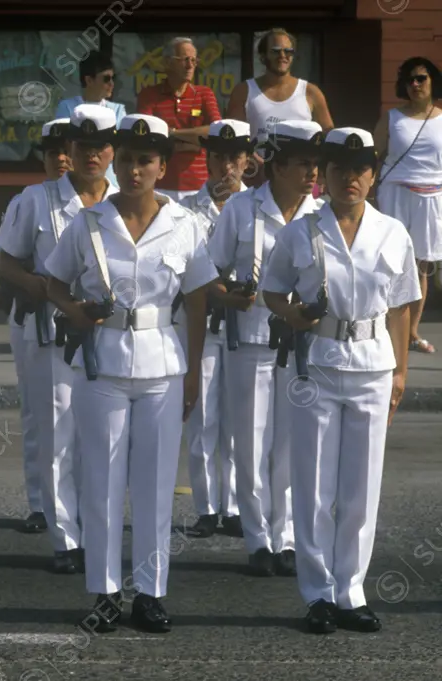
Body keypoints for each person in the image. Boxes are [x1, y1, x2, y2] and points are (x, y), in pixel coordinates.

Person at [45, 113, 218, 633]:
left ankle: (150, 592)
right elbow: (51, 279)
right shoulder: (89, 222)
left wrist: (192, 375)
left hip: (164, 360)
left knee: (155, 482)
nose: (134, 168)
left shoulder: (186, 224)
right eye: (126, 159)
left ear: (163, 165)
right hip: (103, 359)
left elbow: (196, 300)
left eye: (145, 159)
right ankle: (103, 592)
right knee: (101, 479)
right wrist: (74, 311)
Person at [261, 127, 419, 633]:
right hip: (317, 363)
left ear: (373, 176)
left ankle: (351, 590)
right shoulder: (300, 232)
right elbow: (272, 291)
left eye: (360, 170)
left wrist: (400, 372)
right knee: (311, 483)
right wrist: (293, 315)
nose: (349, 178)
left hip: (373, 364)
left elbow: (400, 308)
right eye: (338, 169)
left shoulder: (393, 232)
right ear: (323, 177)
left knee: (360, 489)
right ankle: (317, 594)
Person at [0, 104, 117, 574]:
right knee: (57, 433)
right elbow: (5, 261)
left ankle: (97, 526)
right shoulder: (36, 199)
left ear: (112, 150)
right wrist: (46, 291)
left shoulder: (125, 199)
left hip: (111, 335)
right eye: (82, 147)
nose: (91, 156)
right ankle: (66, 536)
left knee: (101, 438)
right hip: (53, 331)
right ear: (69, 149)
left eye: (100, 147)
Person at [207, 120, 324, 578]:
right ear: (276, 166)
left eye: (316, 164)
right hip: (252, 339)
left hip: (305, 346)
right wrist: (227, 294)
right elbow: (209, 271)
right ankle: (258, 539)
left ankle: (287, 536)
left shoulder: (323, 214)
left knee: (293, 444)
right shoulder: (240, 208)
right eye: (303, 164)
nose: (312, 173)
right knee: (251, 442)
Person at [0, 117, 73, 535]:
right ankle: (43, 505)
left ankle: (82, 503)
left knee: (87, 418)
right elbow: (2, 258)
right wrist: (33, 285)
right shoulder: (32, 200)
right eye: (51, 152)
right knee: (44, 415)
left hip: (93, 322)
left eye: (66, 150)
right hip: (42, 320)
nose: (60, 158)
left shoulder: (110, 199)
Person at [176, 120, 253, 539]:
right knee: (202, 414)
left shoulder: (256, 206)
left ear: (246, 160)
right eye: (220, 156)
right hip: (201, 321)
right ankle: (207, 507)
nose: (227, 165)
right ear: (208, 158)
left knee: (241, 415)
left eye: (235, 157)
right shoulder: (185, 209)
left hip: (245, 321)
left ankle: (237, 505)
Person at [374, 56, 442, 355]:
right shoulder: (392, 118)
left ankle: (412, 333)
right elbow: (372, 155)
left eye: (422, 78)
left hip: (432, 198)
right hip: (395, 193)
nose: (415, 84)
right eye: (410, 79)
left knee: (421, 267)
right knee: (388, 262)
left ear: (433, 82)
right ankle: (381, 329)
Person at [227, 28, 334, 189]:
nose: (282, 56)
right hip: (258, 179)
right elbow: (234, 136)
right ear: (263, 56)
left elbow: (328, 135)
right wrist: (252, 158)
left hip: (302, 180)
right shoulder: (244, 90)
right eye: (276, 51)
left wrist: (322, 172)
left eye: (288, 51)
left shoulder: (311, 92)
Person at [135, 37, 222, 203]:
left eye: (194, 60)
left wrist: (172, 133)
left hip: (199, 186)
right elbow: (147, 138)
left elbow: (216, 132)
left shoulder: (205, 94)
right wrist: (195, 141)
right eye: (185, 60)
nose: (190, 65)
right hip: (159, 184)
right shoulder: (149, 95)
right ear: (168, 62)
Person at [55, 51, 126, 190]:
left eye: (113, 78)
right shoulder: (67, 107)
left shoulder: (118, 110)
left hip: (109, 183)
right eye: (106, 79)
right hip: (74, 183)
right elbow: (63, 147)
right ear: (89, 80)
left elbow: (120, 149)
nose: (111, 83)